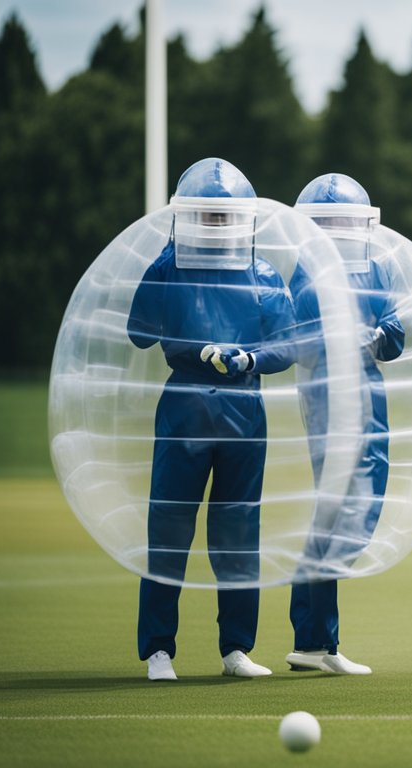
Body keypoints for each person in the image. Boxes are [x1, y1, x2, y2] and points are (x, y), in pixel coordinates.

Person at [127, 158, 297, 681]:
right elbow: (139, 333)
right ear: (189, 215)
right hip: (185, 408)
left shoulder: (262, 272)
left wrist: (249, 359)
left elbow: (287, 345)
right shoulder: (168, 267)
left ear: (242, 218)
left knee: (239, 531)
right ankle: (159, 649)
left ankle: (236, 649)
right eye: (208, 214)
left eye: (226, 215)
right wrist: (196, 348)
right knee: (169, 527)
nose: (217, 224)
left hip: (245, 408)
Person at [285, 173, 404, 676]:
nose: (336, 230)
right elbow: (293, 333)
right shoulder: (304, 273)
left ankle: (317, 641)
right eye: (327, 221)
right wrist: (335, 340)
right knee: (334, 509)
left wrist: (373, 338)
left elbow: (397, 331)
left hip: (369, 396)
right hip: (326, 396)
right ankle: (315, 643)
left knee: (361, 505)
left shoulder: (375, 268)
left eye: (345, 221)